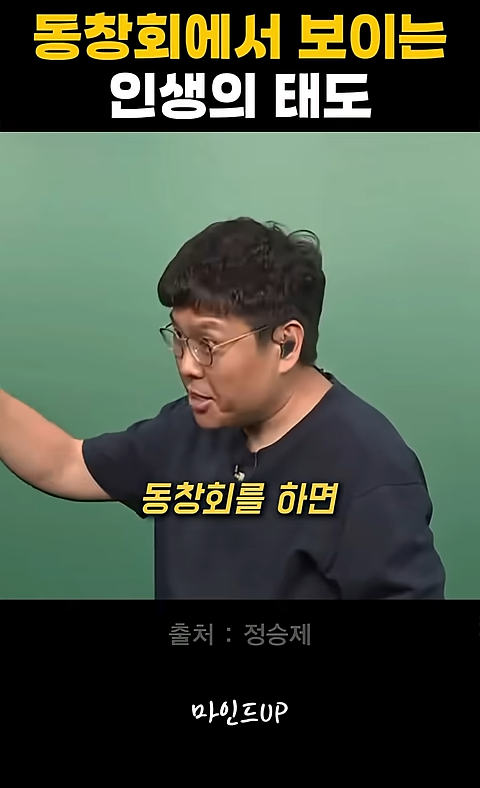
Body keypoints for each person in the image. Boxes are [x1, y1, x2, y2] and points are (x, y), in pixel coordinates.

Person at [0, 217, 445, 599]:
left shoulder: (370, 470)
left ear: (285, 344)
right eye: (179, 338)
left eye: (208, 343)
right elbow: (64, 464)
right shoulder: (186, 428)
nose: (188, 365)